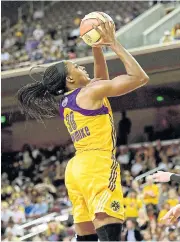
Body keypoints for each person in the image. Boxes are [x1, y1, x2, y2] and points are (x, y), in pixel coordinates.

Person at [17, 18, 149, 241]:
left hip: (77, 169)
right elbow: (140, 78)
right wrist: (114, 43)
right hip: (97, 164)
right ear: (70, 78)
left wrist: (96, 46)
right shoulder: (89, 93)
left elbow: (100, 81)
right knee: (110, 235)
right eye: (77, 67)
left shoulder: (69, 101)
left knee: (86, 237)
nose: (82, 66)